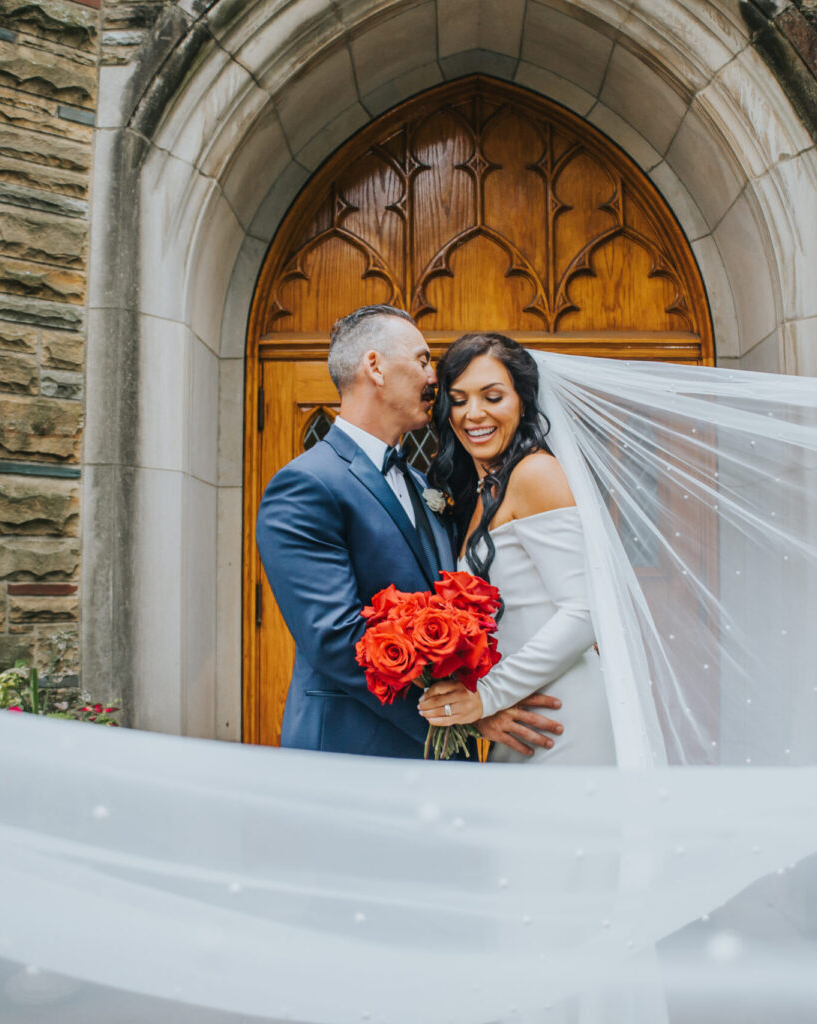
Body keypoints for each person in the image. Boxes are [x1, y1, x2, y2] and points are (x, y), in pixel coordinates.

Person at [255, 306, 564, 759]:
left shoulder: (424, 484)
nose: (433, 378)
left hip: (440, 752)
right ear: (375, 367)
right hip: (356, 748)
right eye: (422, 360)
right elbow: (336, 638)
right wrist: (467, 714)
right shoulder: (307, 484)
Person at [417, 333, 617, 765]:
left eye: (492, 396)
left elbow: (584, 613)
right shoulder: (484, 490)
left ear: (523, 402)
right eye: (459, 399)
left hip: (559, 714)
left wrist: (485, 696)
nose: (474, 414)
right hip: (519, 709)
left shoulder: (536, 474)